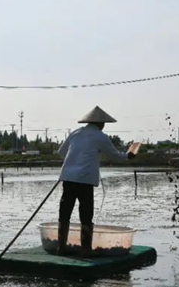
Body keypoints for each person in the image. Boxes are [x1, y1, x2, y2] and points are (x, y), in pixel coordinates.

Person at [56, 106, 136, 258]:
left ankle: (61, 247)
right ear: (100, 124)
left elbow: (62, 152)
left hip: (67, 177)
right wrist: (128, 156)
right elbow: (115, 156)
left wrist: (74, 162)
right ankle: (85, 249)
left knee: (64, 211)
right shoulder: (100, 136)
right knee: (86, 213)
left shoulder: (76, 133)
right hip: (84, 179)